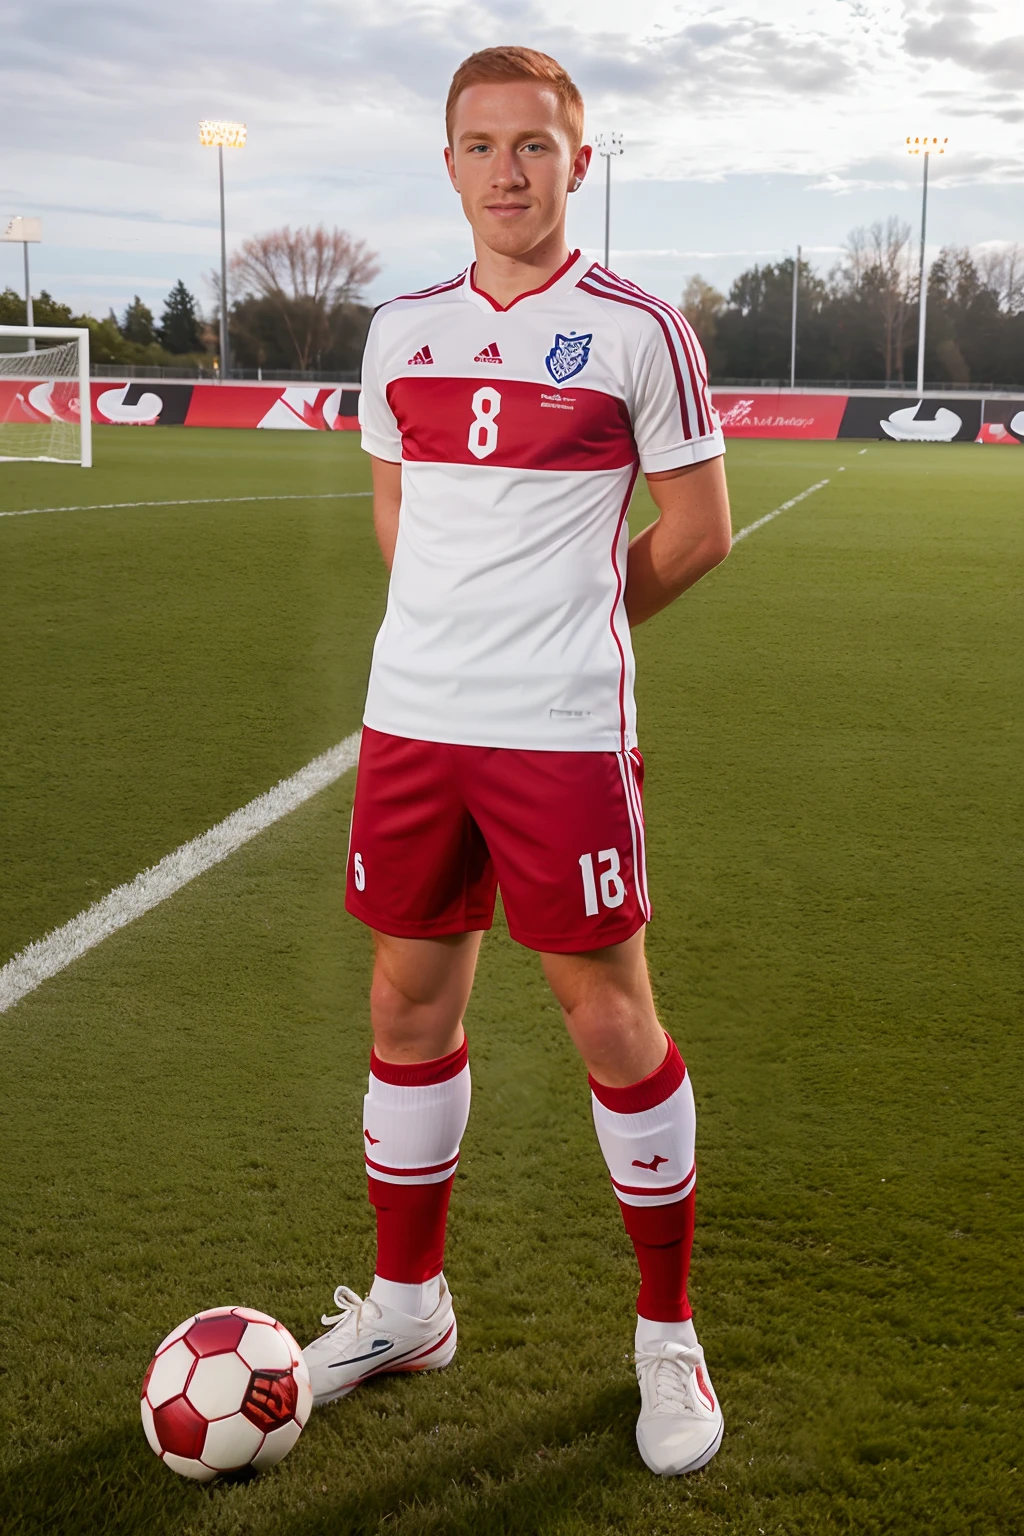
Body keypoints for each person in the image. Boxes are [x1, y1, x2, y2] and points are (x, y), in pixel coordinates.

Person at [302, 45, 732, 1478]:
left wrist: (575, 624)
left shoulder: (637, 331)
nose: (507, 170)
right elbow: (396, 515)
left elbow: (696, 529)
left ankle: (665, 1333)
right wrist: (448, 639)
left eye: (535, 146)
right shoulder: (397, 328)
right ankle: (411, 1308)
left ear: (577, 164)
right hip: (414, 721)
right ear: (448, 166)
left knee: (607, 1015)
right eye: (481, 146)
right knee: (405, 995)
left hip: (559, 731)